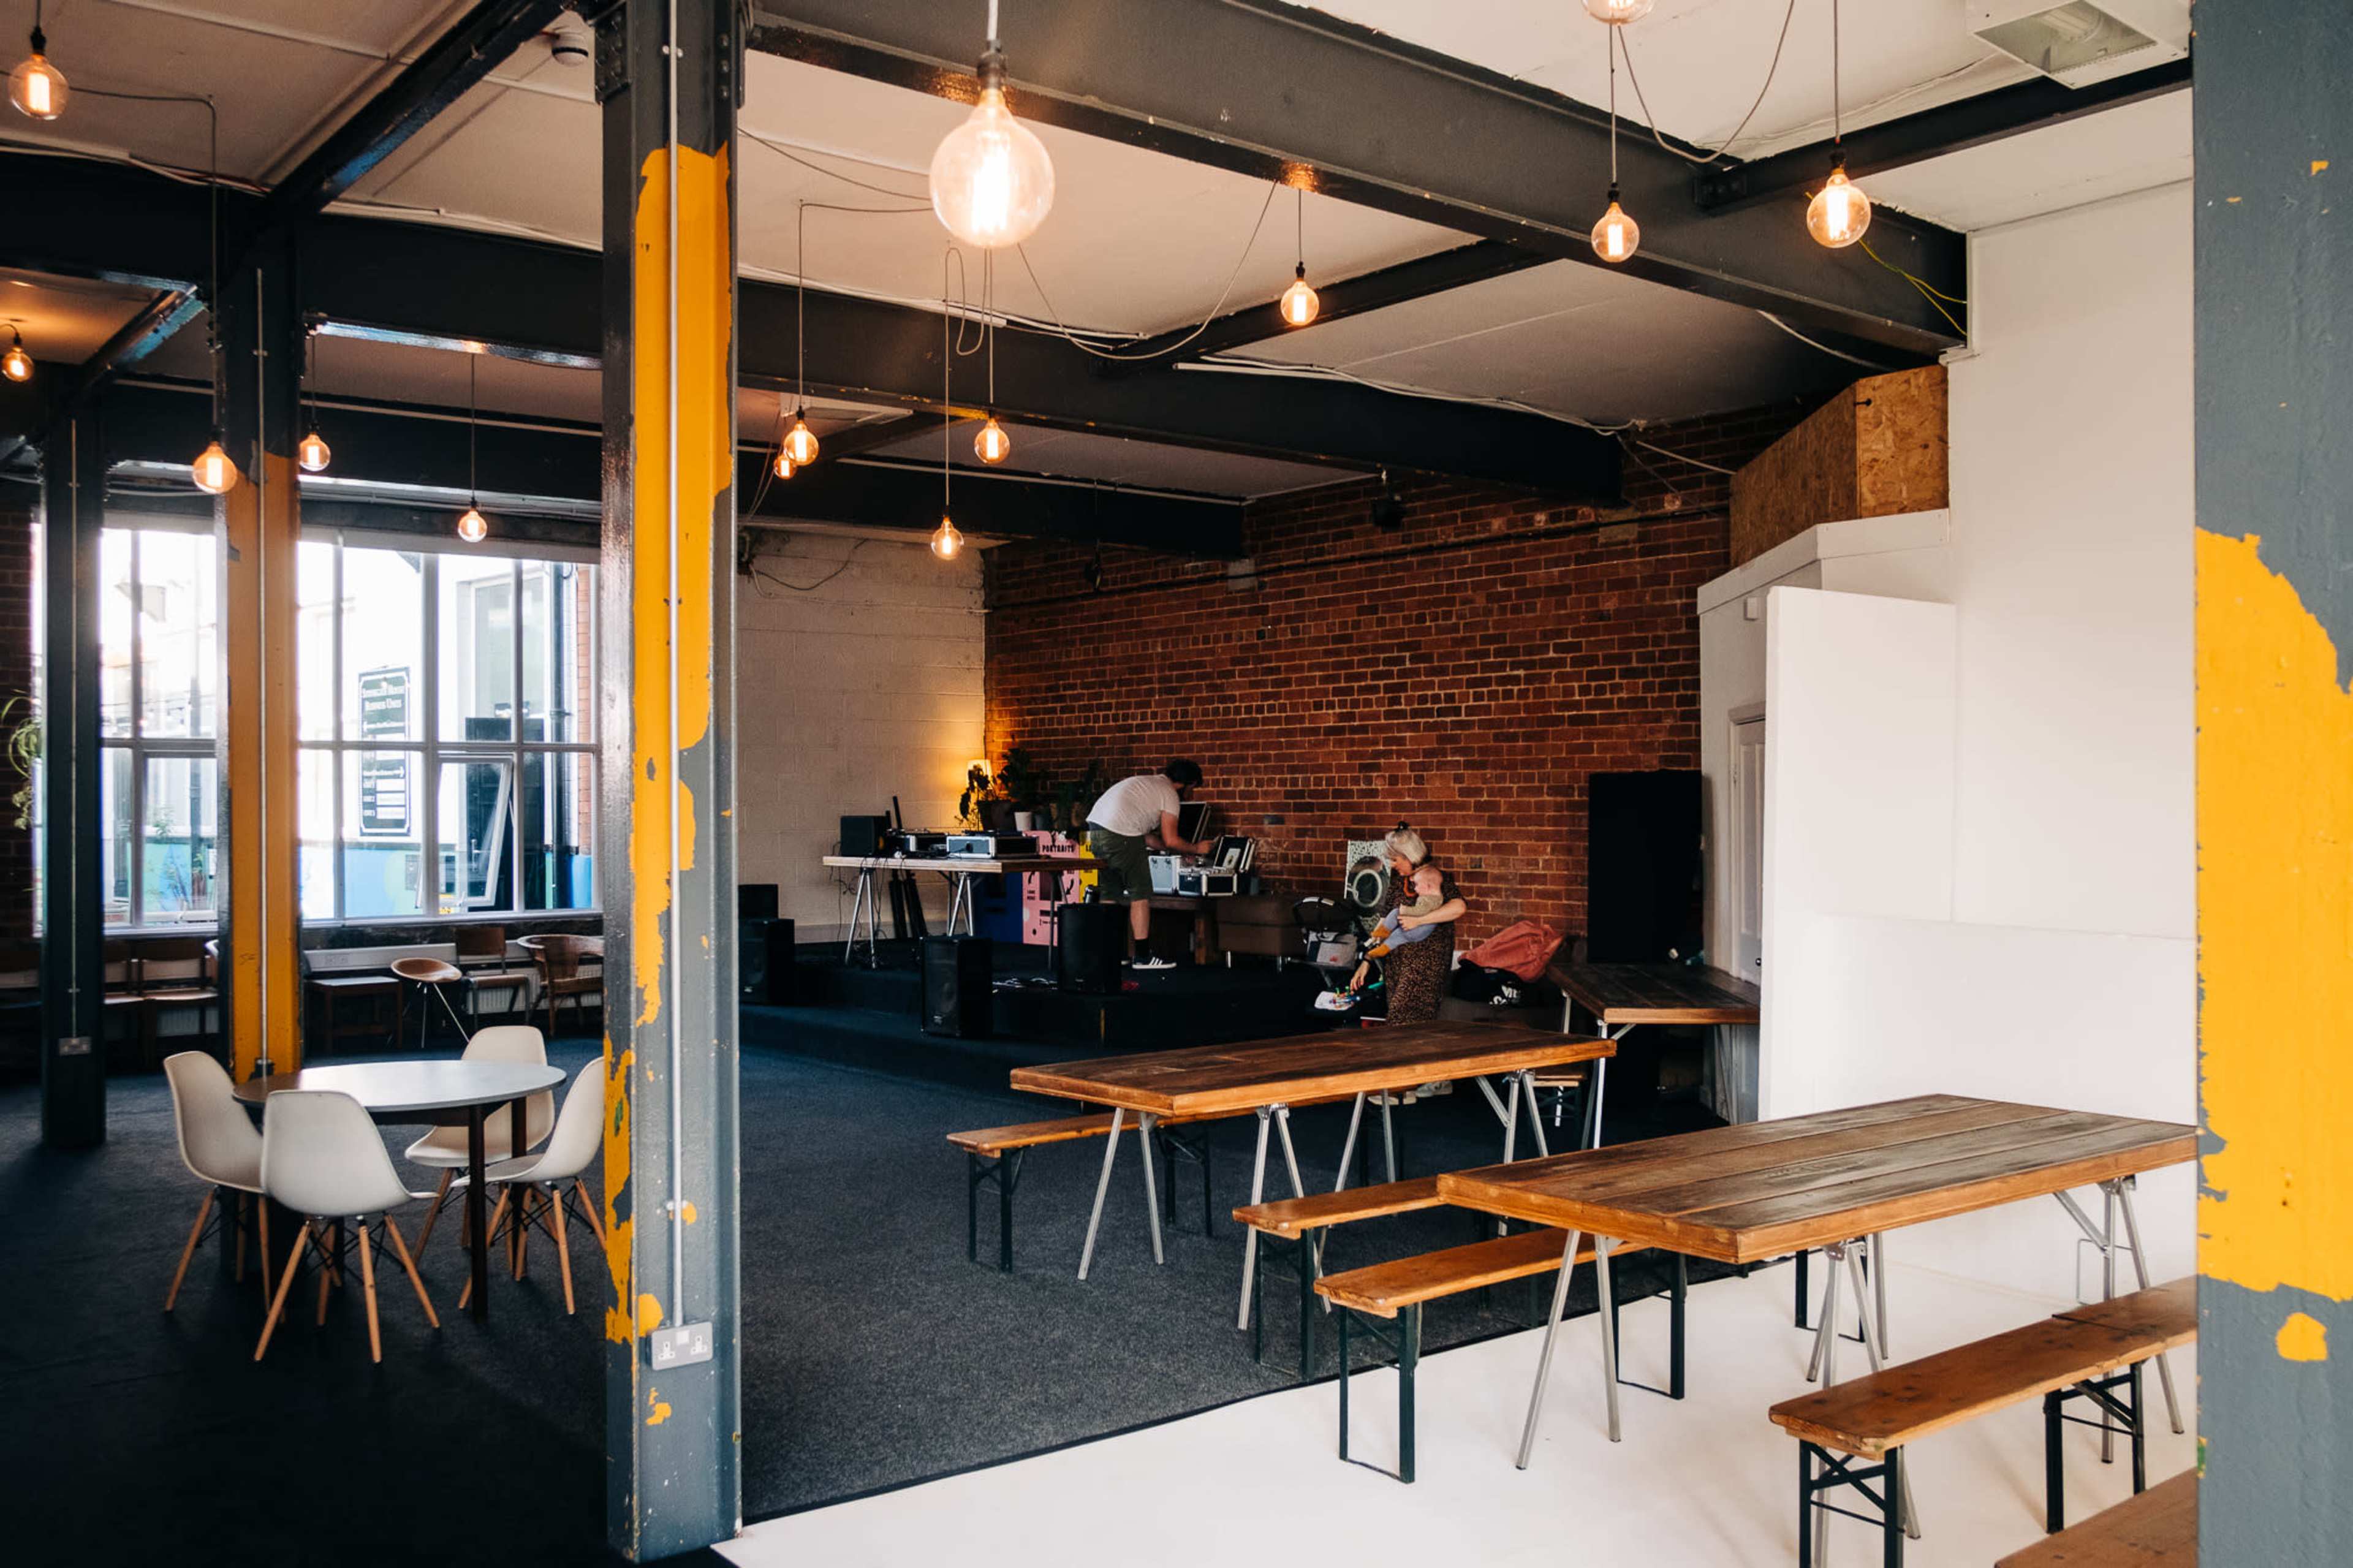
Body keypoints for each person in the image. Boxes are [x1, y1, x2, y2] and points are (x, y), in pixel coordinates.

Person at [1083, 759, 1213, 969]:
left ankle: (1112, 953)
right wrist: (1197, 849)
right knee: (1141, 893)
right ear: (1186, 784)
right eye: (1193, 788)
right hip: (1122, 833)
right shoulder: (1169, 795)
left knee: (1111, 893)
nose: (1193, 794)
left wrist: (1176, 849)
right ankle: (1142, 957)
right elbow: (1171, 840)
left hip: (1097, 830)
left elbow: (1149, 838)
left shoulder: (1149, 784)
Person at [1362, 826, 1466, 1023]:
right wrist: (1367, 960)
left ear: (1409, 856)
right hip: (1397, 966)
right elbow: (1384, 925)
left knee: (1404, 1018)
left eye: (1395, 859)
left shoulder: (1435, 878)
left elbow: (1459, 907)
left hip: (1425, 966)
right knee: (1400, 1022)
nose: (1392, 865)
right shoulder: (1397, 884)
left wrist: (1419, 920)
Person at [1316, 863, 1445, 1010]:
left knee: (1396, 917)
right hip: (1406, 941)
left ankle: (1378, 939)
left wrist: (1405, 911)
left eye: (1417, 885)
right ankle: (1377, 943)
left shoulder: (1431, 899)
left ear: (1428, 886)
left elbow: (1419, 911)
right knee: (1394, 936)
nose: (1415, 888)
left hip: (1414, 941)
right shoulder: (1415, 891)